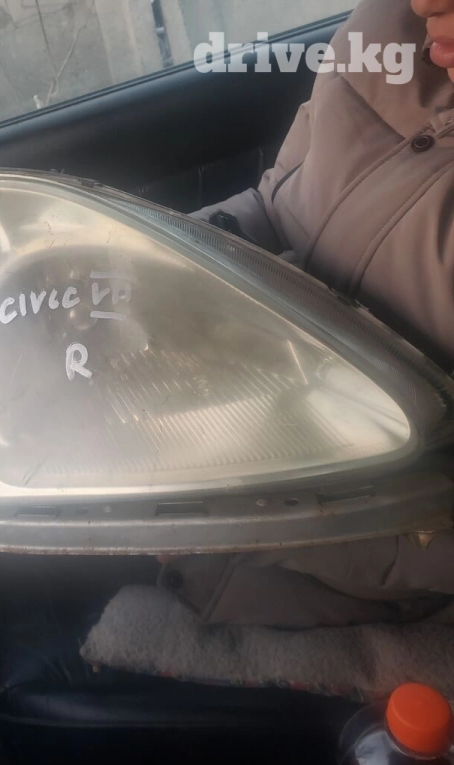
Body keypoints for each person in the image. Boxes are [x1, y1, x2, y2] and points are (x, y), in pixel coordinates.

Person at [148, 0, 454, 628]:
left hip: (337, 566)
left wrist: (226, 512)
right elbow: (278, 205)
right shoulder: (387, 25)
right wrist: (157, 265)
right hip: (189, 438)